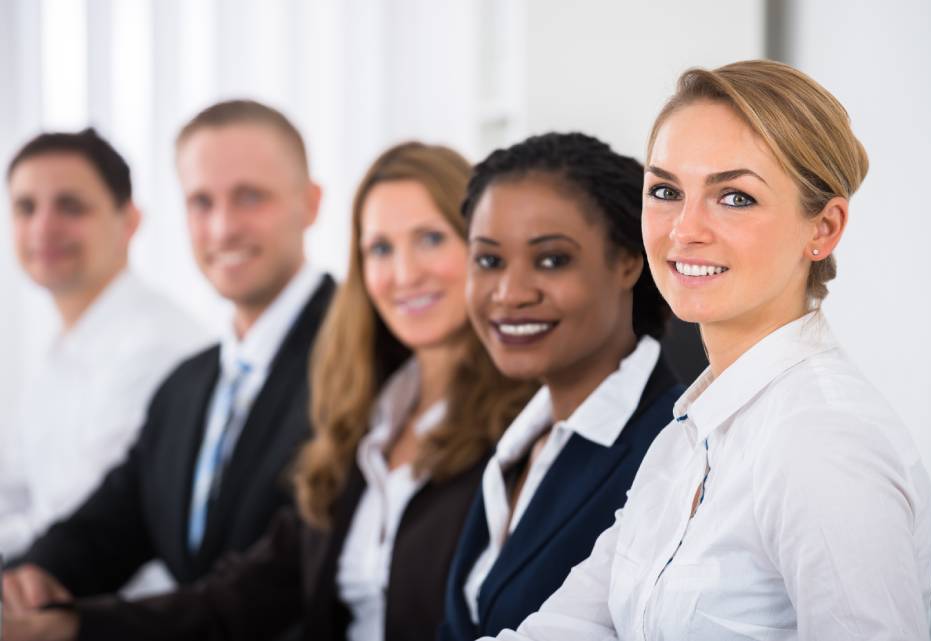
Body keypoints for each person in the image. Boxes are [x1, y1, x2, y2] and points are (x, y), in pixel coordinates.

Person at [0, 141, 536, 641]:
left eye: (430, 238)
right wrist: (69, 624)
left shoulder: (526, 420)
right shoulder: (368, 413)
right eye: (378, 248)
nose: (404, 273)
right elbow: (252, 590)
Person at [484, 60, 931, 641]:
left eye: (735, 198)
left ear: (822, 229)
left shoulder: (823, 442)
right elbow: (572, 625)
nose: (683, 230)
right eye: (667, 191)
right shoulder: (687, 437)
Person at [2, 100, 336, 612]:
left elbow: (282, 585)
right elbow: (114, 520)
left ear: (310, 204)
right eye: (201, 202)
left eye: (250, 197)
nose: (223, 229)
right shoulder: (191, 383)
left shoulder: (353, 355)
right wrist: (38, 574)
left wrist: (81, 627)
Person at [439, 132, 682, 640]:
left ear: (627, 262)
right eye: (489, 261)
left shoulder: (673, 448)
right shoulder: (517, 440)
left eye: (551, 260)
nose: (510, 294)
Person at [0, 128, 207, 562]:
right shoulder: (64, 346)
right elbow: (15, 491)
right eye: (25, 208)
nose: (43, 228)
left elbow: (74, 524)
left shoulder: (156, 348)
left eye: (70, 206)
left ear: (129, 221)